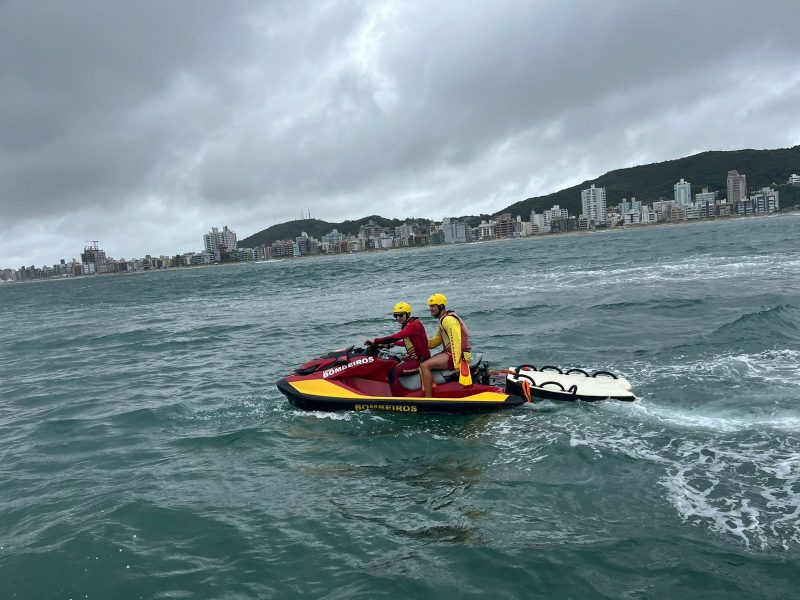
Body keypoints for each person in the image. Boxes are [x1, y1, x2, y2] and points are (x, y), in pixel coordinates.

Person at [365, 302, 430, 396]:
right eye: (395, 315)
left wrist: (376, 341)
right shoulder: (409, 324)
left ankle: (398, 398)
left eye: (400, 315)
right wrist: (393, 344)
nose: (398, 318)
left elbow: (396, 336)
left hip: (420, 361)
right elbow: (410, 343)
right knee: (394, 360)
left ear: (408, 314)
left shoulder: (413, 325)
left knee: (392, 373)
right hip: (414, 358)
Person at [419, 293, 472, 397]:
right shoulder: (443, 319)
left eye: (433, 306)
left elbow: (455, 342)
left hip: (459, 355)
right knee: (426, 361)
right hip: (452, 353)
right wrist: (419, 345)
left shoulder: (448, 320)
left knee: (424, 366)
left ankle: (428, 399)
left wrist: (456, 365)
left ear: (441, 306)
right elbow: (436, 340)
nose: (430, 309)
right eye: (430, 306)